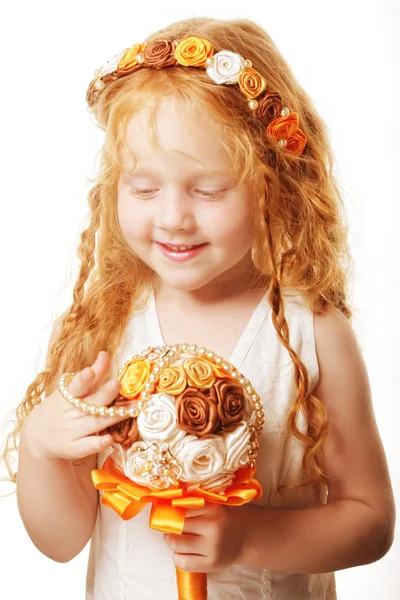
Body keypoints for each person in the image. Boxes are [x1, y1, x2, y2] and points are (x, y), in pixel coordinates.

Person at [1, 15, 395, 600]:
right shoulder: (106, 321)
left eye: (208, 190)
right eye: (142, 187)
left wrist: (249, 539)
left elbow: (371, 522)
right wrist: (40, 446)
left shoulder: (312, 332)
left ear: (273, 184)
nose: (173, 217)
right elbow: (60, 541)